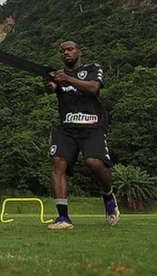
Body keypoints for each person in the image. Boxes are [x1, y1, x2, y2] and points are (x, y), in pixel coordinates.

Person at [45, 41, 119, 230]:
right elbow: (51, 87)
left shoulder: (94, 68)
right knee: (57, 163)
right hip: (66, 128)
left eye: (70, 49)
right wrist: (51, 84)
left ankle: (108, 195)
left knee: (94, 162)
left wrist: (68, 80)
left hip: (92, 126)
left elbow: (94, 88)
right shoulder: (58, 74)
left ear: (79, 51)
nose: (66, 53)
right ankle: (63, 217)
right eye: (62, 51)